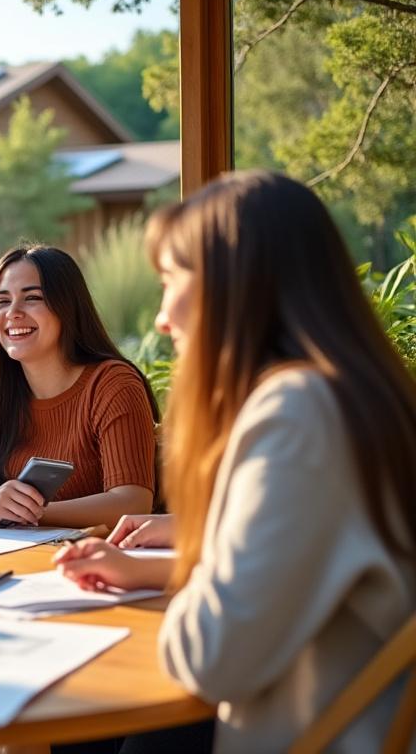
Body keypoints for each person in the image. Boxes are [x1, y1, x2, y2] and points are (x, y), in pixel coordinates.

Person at [54, 171, 416, 752]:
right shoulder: (351, 396)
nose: (161, 317)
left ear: (233, 285)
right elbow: (297, 568)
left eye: (170, 280)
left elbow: (208, 656)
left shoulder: (298, 413)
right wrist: (154, 568)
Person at [0, 245, 158, 530]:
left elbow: (132, 502)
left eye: (32, 298)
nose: (13, 313)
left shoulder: (112, 384)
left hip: (93, 563)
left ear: (67, 307)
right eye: (2, 301)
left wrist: (26, 512)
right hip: (18, 560)